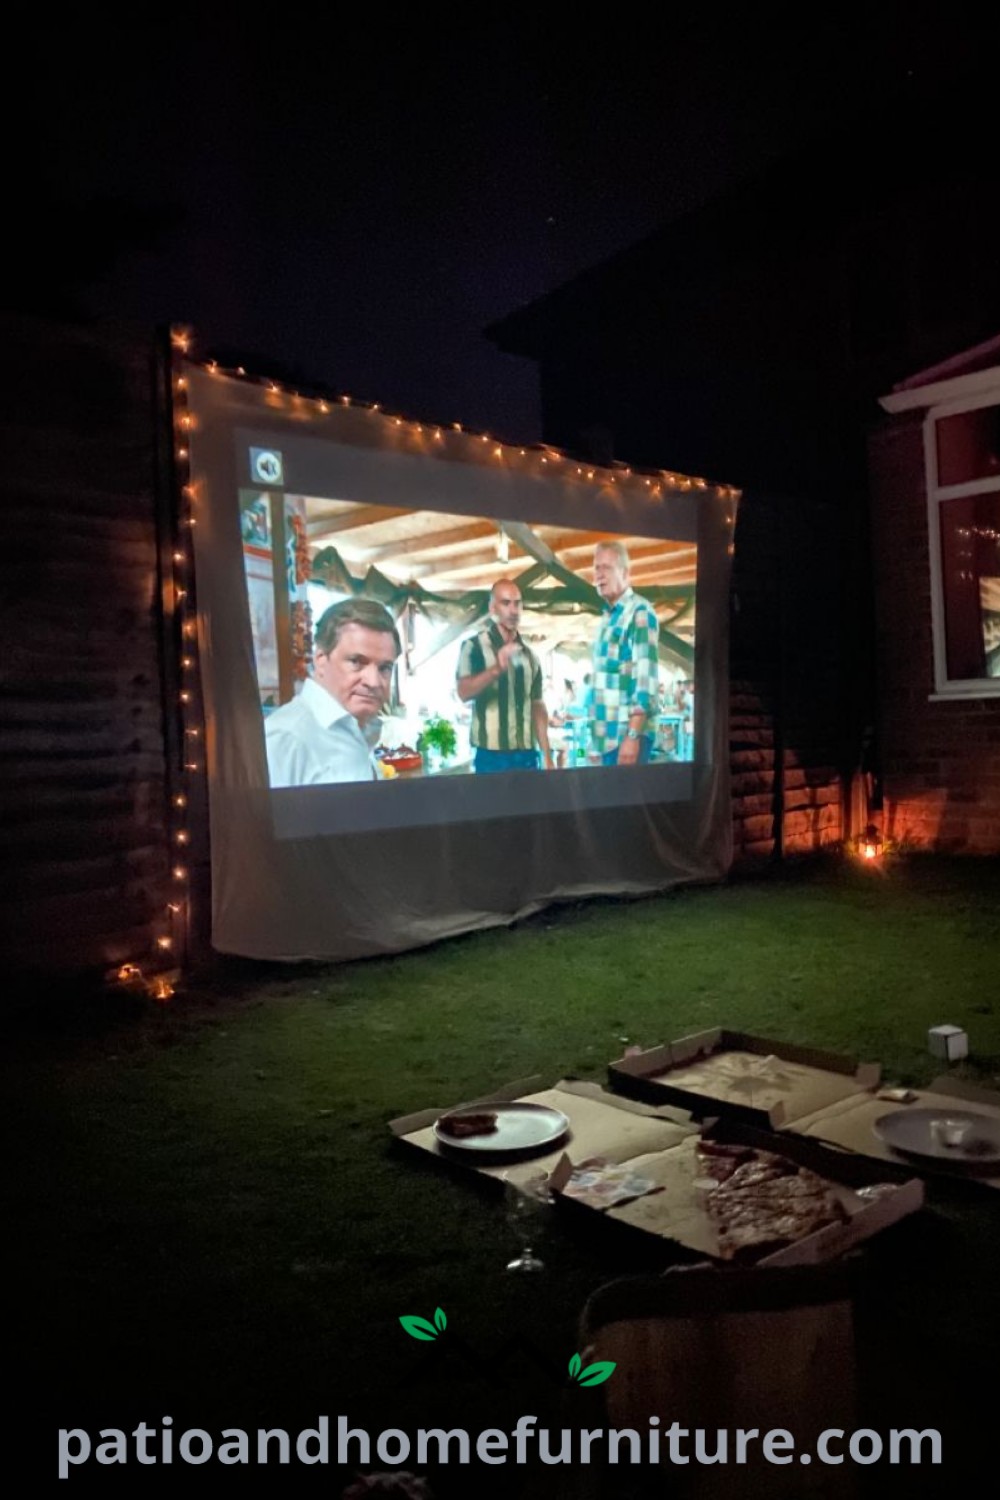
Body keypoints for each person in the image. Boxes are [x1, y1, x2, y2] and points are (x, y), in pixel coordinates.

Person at [264, 597, 401, 786]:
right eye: (356, 662)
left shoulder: (360, 729)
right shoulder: (285, 738)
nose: (374, 681)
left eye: (385, 667)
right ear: (320, 660)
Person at [456, 578, 553, 773]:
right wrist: (495, 670)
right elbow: (463, 692)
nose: (513, 610)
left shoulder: (530, 656)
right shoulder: (473, 646)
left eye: (517, 603)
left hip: (527, 754)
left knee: (531, 805)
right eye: (506, 603)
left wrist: (547, 756)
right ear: (493, 609)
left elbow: (537, 704)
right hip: (491, 757)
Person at [589, 540, 659, 765]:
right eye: (596, 568)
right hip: (605, 742)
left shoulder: (639, 612)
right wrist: (594, 747)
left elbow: (645, 683)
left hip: (626, 741)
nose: (599, 574)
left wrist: (632, 737)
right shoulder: (608, 618)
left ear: (625, 572)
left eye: (606, 568)